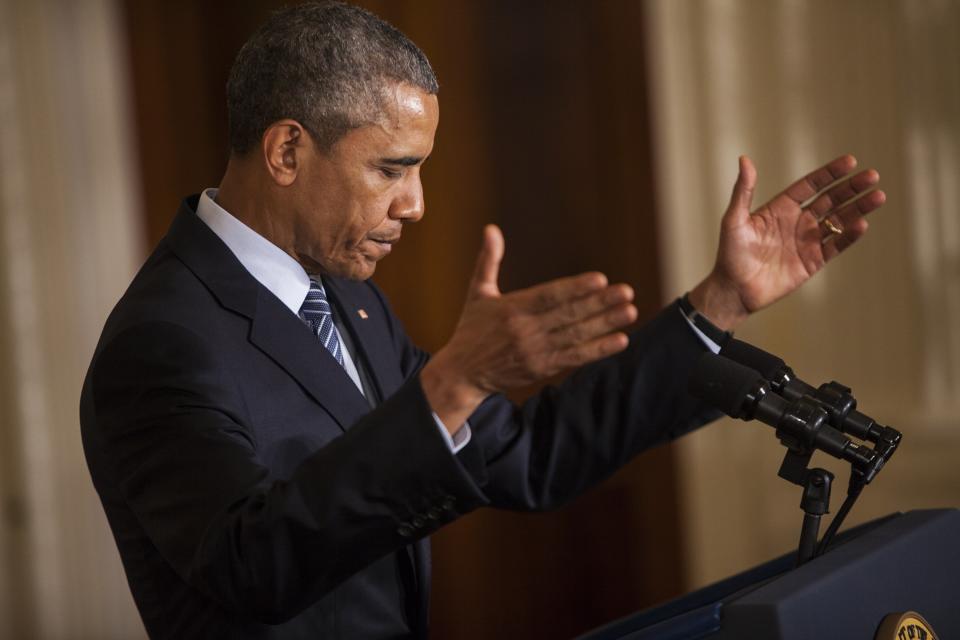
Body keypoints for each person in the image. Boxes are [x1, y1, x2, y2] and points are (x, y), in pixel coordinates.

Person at [79, 2, 886, 639]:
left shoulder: (347, 299)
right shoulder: (161, 342)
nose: (417, 204)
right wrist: (451, 384)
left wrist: (723, 303)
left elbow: (529, 456)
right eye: (392, 168)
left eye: (421, 169)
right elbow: (254, 567)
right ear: (287, 151)